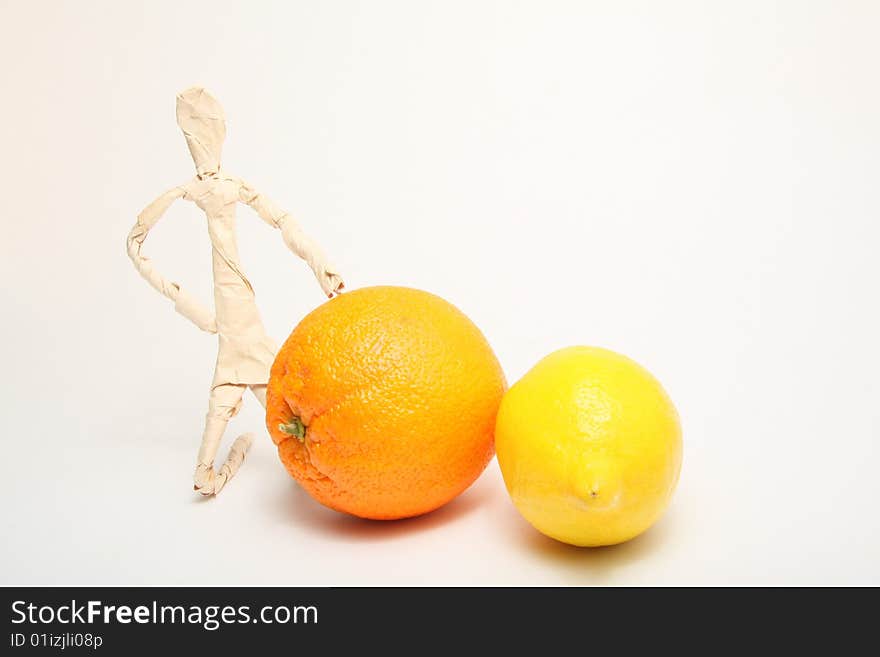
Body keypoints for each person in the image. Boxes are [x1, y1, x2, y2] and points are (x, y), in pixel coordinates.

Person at [126, 87, 344, 495]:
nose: (204, 145)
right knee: (260, 418)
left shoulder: (231, 185)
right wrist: (187, 304)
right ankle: (302, 468)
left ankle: (320, 469)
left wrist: (321, 266)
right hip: (230, 325)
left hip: (241, 320)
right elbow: (134, 245)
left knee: (284, 414)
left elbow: (282, 221)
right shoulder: (188, 190)